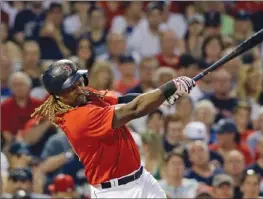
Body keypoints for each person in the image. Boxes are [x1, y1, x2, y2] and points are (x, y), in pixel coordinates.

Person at [31, 59, 195, 198]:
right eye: (71, 88)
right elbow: (132, 110)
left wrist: (160, 98)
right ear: (58, 96)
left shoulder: (84, 96)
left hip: (141, 177)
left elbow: (122, 99)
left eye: (79, 81)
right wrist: (168, 88)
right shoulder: (77, 120)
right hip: (115, 192)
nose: (79, 89)